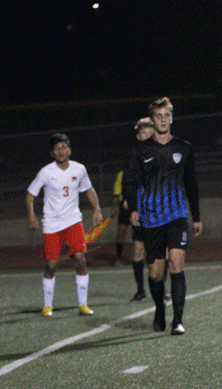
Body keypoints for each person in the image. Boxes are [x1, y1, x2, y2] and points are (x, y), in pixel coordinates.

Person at [124, 97, 202, 335]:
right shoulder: (141, 150)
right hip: (151, 218)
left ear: (172, 117)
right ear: (153, 118)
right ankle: (160, 309)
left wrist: (196, 216)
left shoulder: (184, 147)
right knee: (156, 273)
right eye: (159, 116)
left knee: (177, 263)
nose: (164, 119)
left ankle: (177, 320)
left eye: (167, 115)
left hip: (177, 215)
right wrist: (135, 208)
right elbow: (131, 181)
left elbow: (191, 183)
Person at [25, 133, 103, 317]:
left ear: (69, 150)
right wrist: (31, 215)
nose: (60, 151)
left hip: (73, 221)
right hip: (52, 223)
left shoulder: (79, 169)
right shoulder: (46, 172)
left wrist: (97, 209)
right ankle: (47, 305)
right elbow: (30, 194)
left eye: (63, 147)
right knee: (51, 265)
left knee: (80, 259)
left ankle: (83, 304)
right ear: (52, 153)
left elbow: (89, 190)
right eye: (56, 148)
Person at [113, 117, 156, 301]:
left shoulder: (164, 151)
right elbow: (128, 181)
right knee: (138, 250)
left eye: (149, 132)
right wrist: (130, 204)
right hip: (141, 208)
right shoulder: (133, 156)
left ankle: (160, 289)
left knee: (160, 252)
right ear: (138, 136)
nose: (146, 136)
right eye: (143, 133)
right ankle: (140, 291)